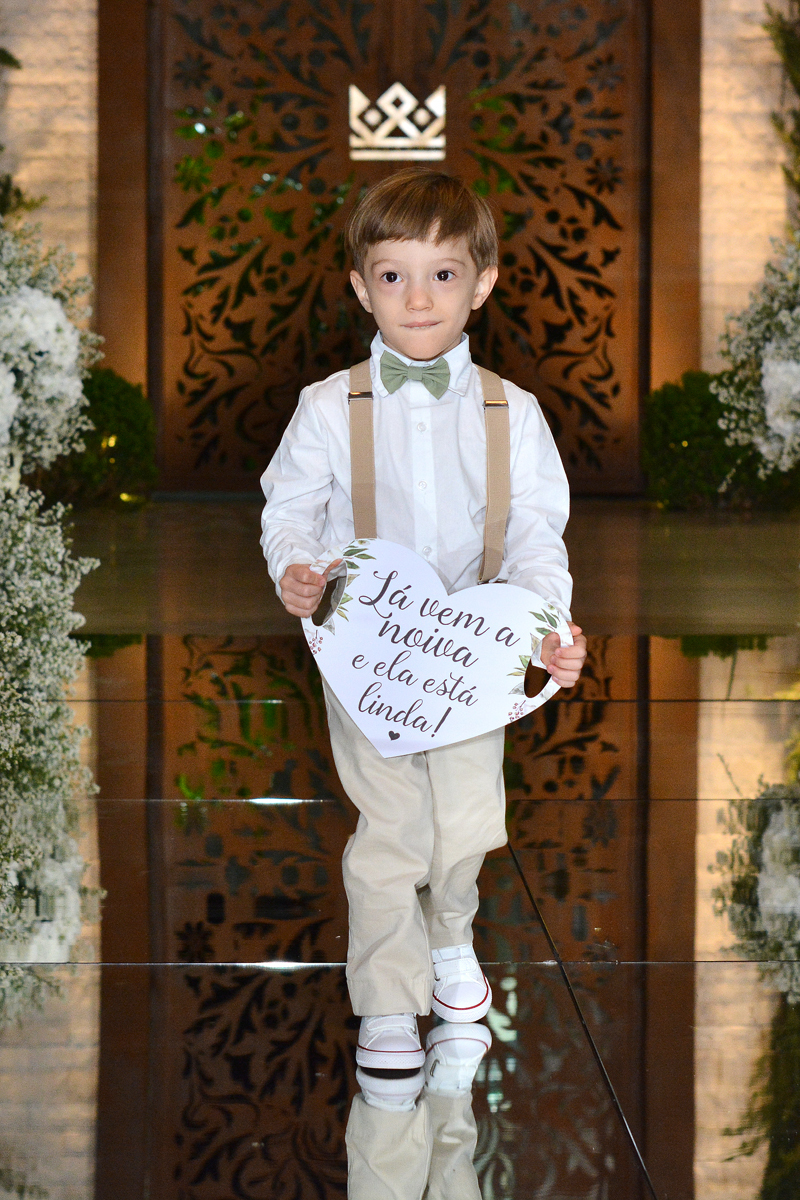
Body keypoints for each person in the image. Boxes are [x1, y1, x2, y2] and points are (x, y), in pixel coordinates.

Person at [260, 168, 587, 1093]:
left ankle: (451, 941)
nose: (417, 296)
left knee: (468, 819)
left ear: (482, 282)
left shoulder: (512, 413)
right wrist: (298, 566)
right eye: (394, 275)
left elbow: (534, 533)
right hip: (365, 652)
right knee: (392, 825)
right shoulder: (329, 405)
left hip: (474, 659)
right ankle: (391, 999)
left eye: (442, 275)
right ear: (361, 286)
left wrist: (546, 625)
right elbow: (291, 506)